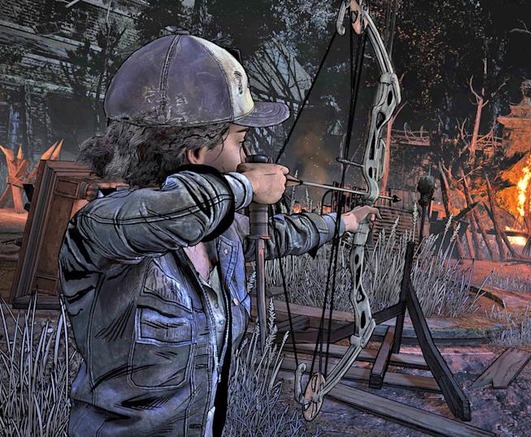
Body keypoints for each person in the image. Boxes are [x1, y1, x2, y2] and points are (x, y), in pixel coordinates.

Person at [58, 32, 378, 436]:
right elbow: (178, 212)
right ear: (196, 152)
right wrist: (251, 186)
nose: (245, 156)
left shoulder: (221, 230)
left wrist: (346, 223)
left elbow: (276, 235)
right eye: (239, 141)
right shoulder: (101, 226)